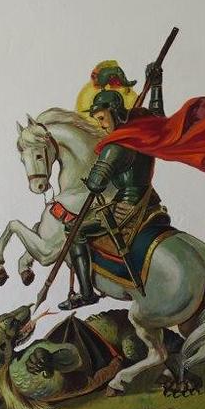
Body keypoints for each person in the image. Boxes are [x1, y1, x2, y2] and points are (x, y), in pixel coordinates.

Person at [60, 63, 167, 310]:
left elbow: (96, 183)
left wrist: (94, 175)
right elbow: (158, 119)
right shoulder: (141, 132)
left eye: (101, 118)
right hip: (149, 202)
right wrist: (156, 85)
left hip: (126, 209)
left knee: (73, 230)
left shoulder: (115, 146)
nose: (100, 124)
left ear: (115, 113)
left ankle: (86, 293)